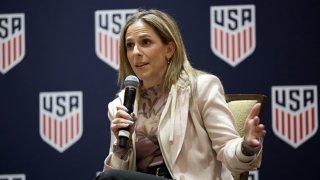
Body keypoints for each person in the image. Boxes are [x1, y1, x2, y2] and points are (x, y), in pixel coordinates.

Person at [96, 9, 266, 180]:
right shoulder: (122, 103)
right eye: (129, 45)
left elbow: (228, 151)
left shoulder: (201, 87)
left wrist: (247, 146)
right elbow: (115, 171)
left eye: (145, 42)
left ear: (169, 49)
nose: (136, 53)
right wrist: (121, 147)